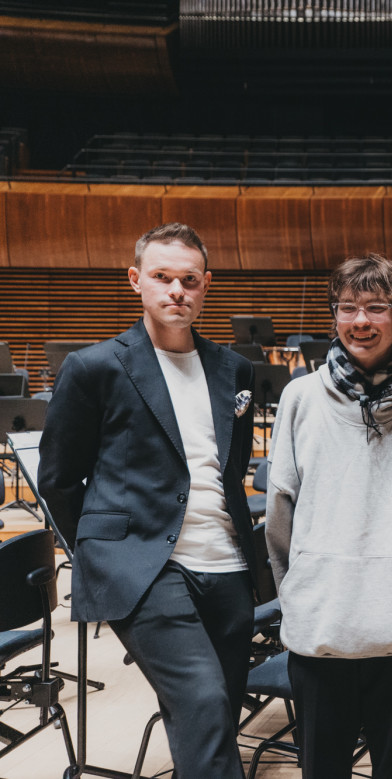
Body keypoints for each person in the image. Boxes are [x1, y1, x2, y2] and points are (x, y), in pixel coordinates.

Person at [38, 222, 258, 777]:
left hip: (228, 565)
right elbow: (58, 480)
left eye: (190, 279)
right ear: (136, 280)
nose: (177, 290)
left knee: (216, 715)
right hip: (143, 567)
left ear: (206, 284)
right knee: (204, 701)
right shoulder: (94, 367)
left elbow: (231, 472)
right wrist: (103, 556)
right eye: (162, 277)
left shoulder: (235, 369)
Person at [265, 252, 392, 779]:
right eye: (347, 307)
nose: (360, 321)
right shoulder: (300, 397)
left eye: (376, 307)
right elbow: (280, 515)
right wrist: (301, 591)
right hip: (320, 625)